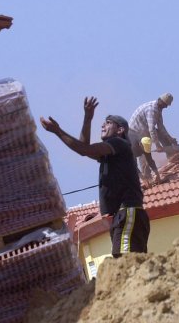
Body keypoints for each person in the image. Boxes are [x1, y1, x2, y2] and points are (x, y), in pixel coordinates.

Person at [40, 97, 150, 257]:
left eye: (108, 122)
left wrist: (58, 131)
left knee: (125, 260)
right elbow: (84, 148)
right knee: (127, 262)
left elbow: (84, 149)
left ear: (120, 130)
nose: (103, 125)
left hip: (128, 212)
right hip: (123, 215)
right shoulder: (111, 155)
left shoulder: (119, 144)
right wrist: (87, 118)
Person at [128, 93, 179, 183]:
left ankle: (171, 155)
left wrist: (170, 138)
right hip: (135, 132)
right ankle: (147, 178)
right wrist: (157, 145)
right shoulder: (151, 110)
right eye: (165, 105)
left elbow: (161, 127)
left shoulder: (158, 110)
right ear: (161, 102)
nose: (166, 107)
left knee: (157, 140)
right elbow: (151, 129)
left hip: (144, 130)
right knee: (144, 155)